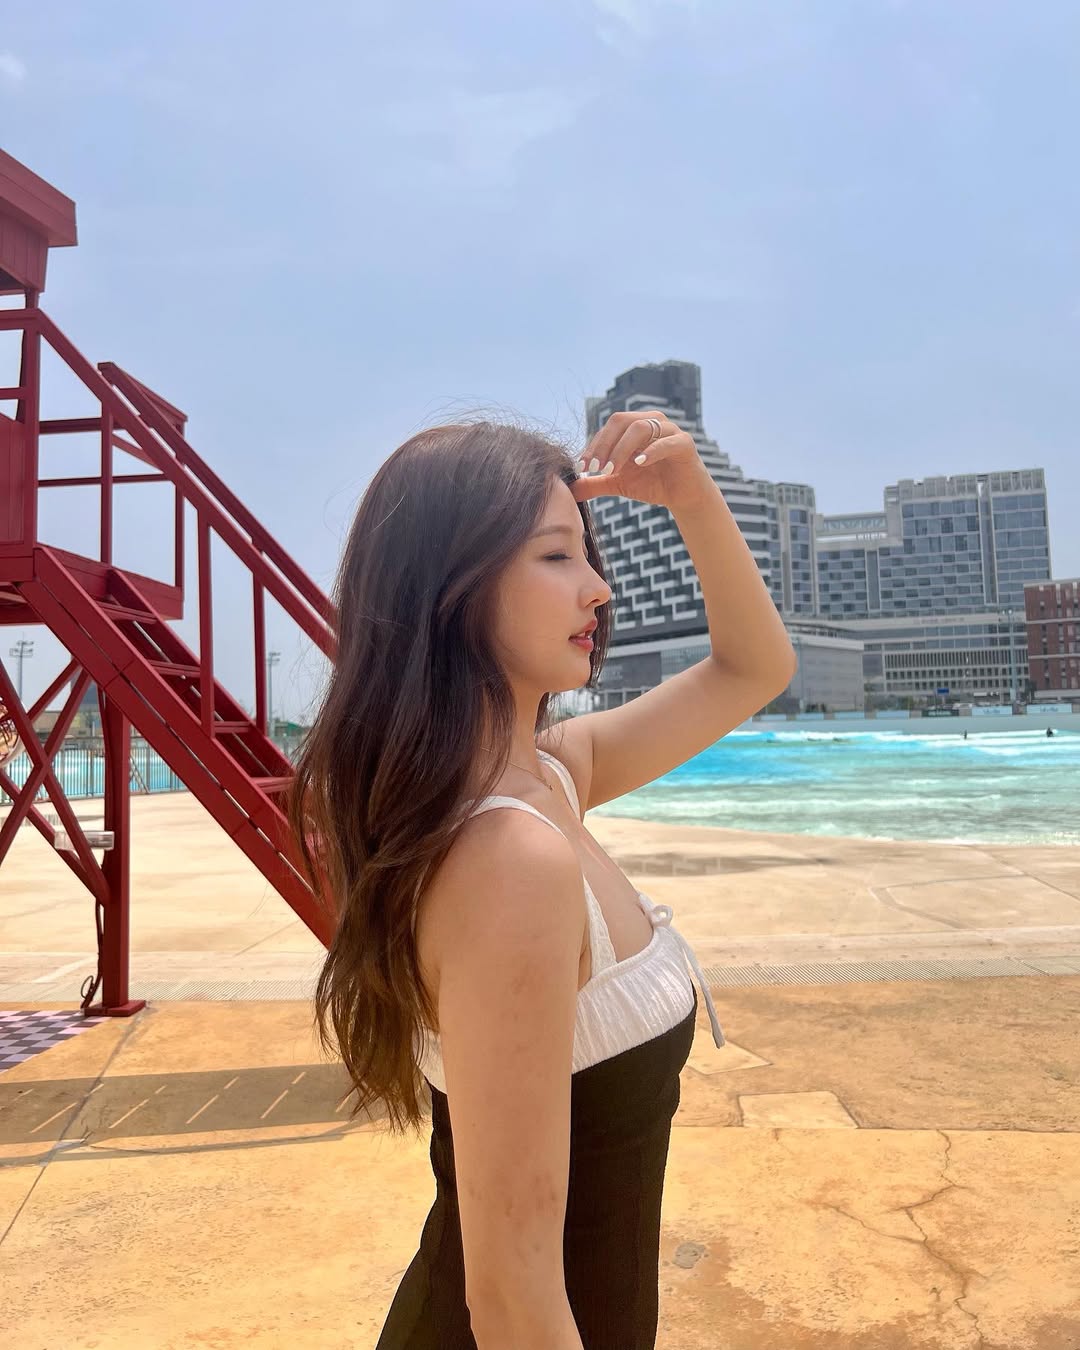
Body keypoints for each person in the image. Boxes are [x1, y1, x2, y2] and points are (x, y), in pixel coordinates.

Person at [288, 411, 797, 1348]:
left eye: (587, 554)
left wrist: (693, 498)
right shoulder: (507, 859)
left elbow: (752, 668)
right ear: (452, 588)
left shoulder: (552, 777)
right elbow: (513, 1298)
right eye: (557, 556)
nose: (598, 587)